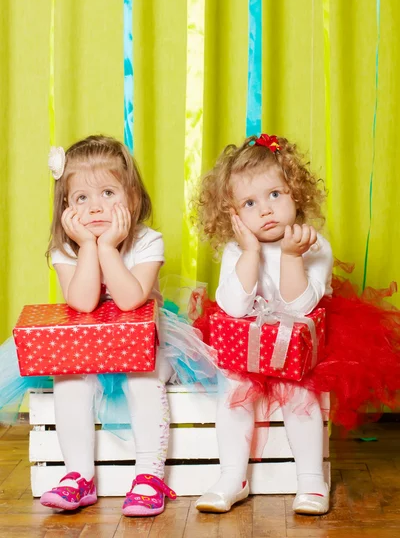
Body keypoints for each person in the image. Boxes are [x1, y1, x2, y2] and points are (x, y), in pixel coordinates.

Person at [0, 135, 216, 516]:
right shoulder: (65, 249)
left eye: (108, 193)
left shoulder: (148, 241)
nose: (96, 207)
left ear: (132, 198)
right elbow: (82, 303)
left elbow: (131, 299)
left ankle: (149, 475)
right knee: (69, 378)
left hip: (152, 344)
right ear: (66, 207)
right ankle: (78, 477)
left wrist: (107, 248)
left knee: (143, 377)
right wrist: (86, 246)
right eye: (82, 198)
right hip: (90, 348)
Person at [193, 133, 400, 515]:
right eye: (250, 203)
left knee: (301, 392)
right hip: (251, 347)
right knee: (233, 392)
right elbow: (234, 308)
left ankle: (310, 480)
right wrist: (253, 252)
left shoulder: (314, 244)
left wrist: (290, 256)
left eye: (275, 194)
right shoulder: (238, 250)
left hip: (300, 349)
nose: (266, 210)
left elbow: (299, 307)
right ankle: (231, 477)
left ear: (295, 194)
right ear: (234, 215)